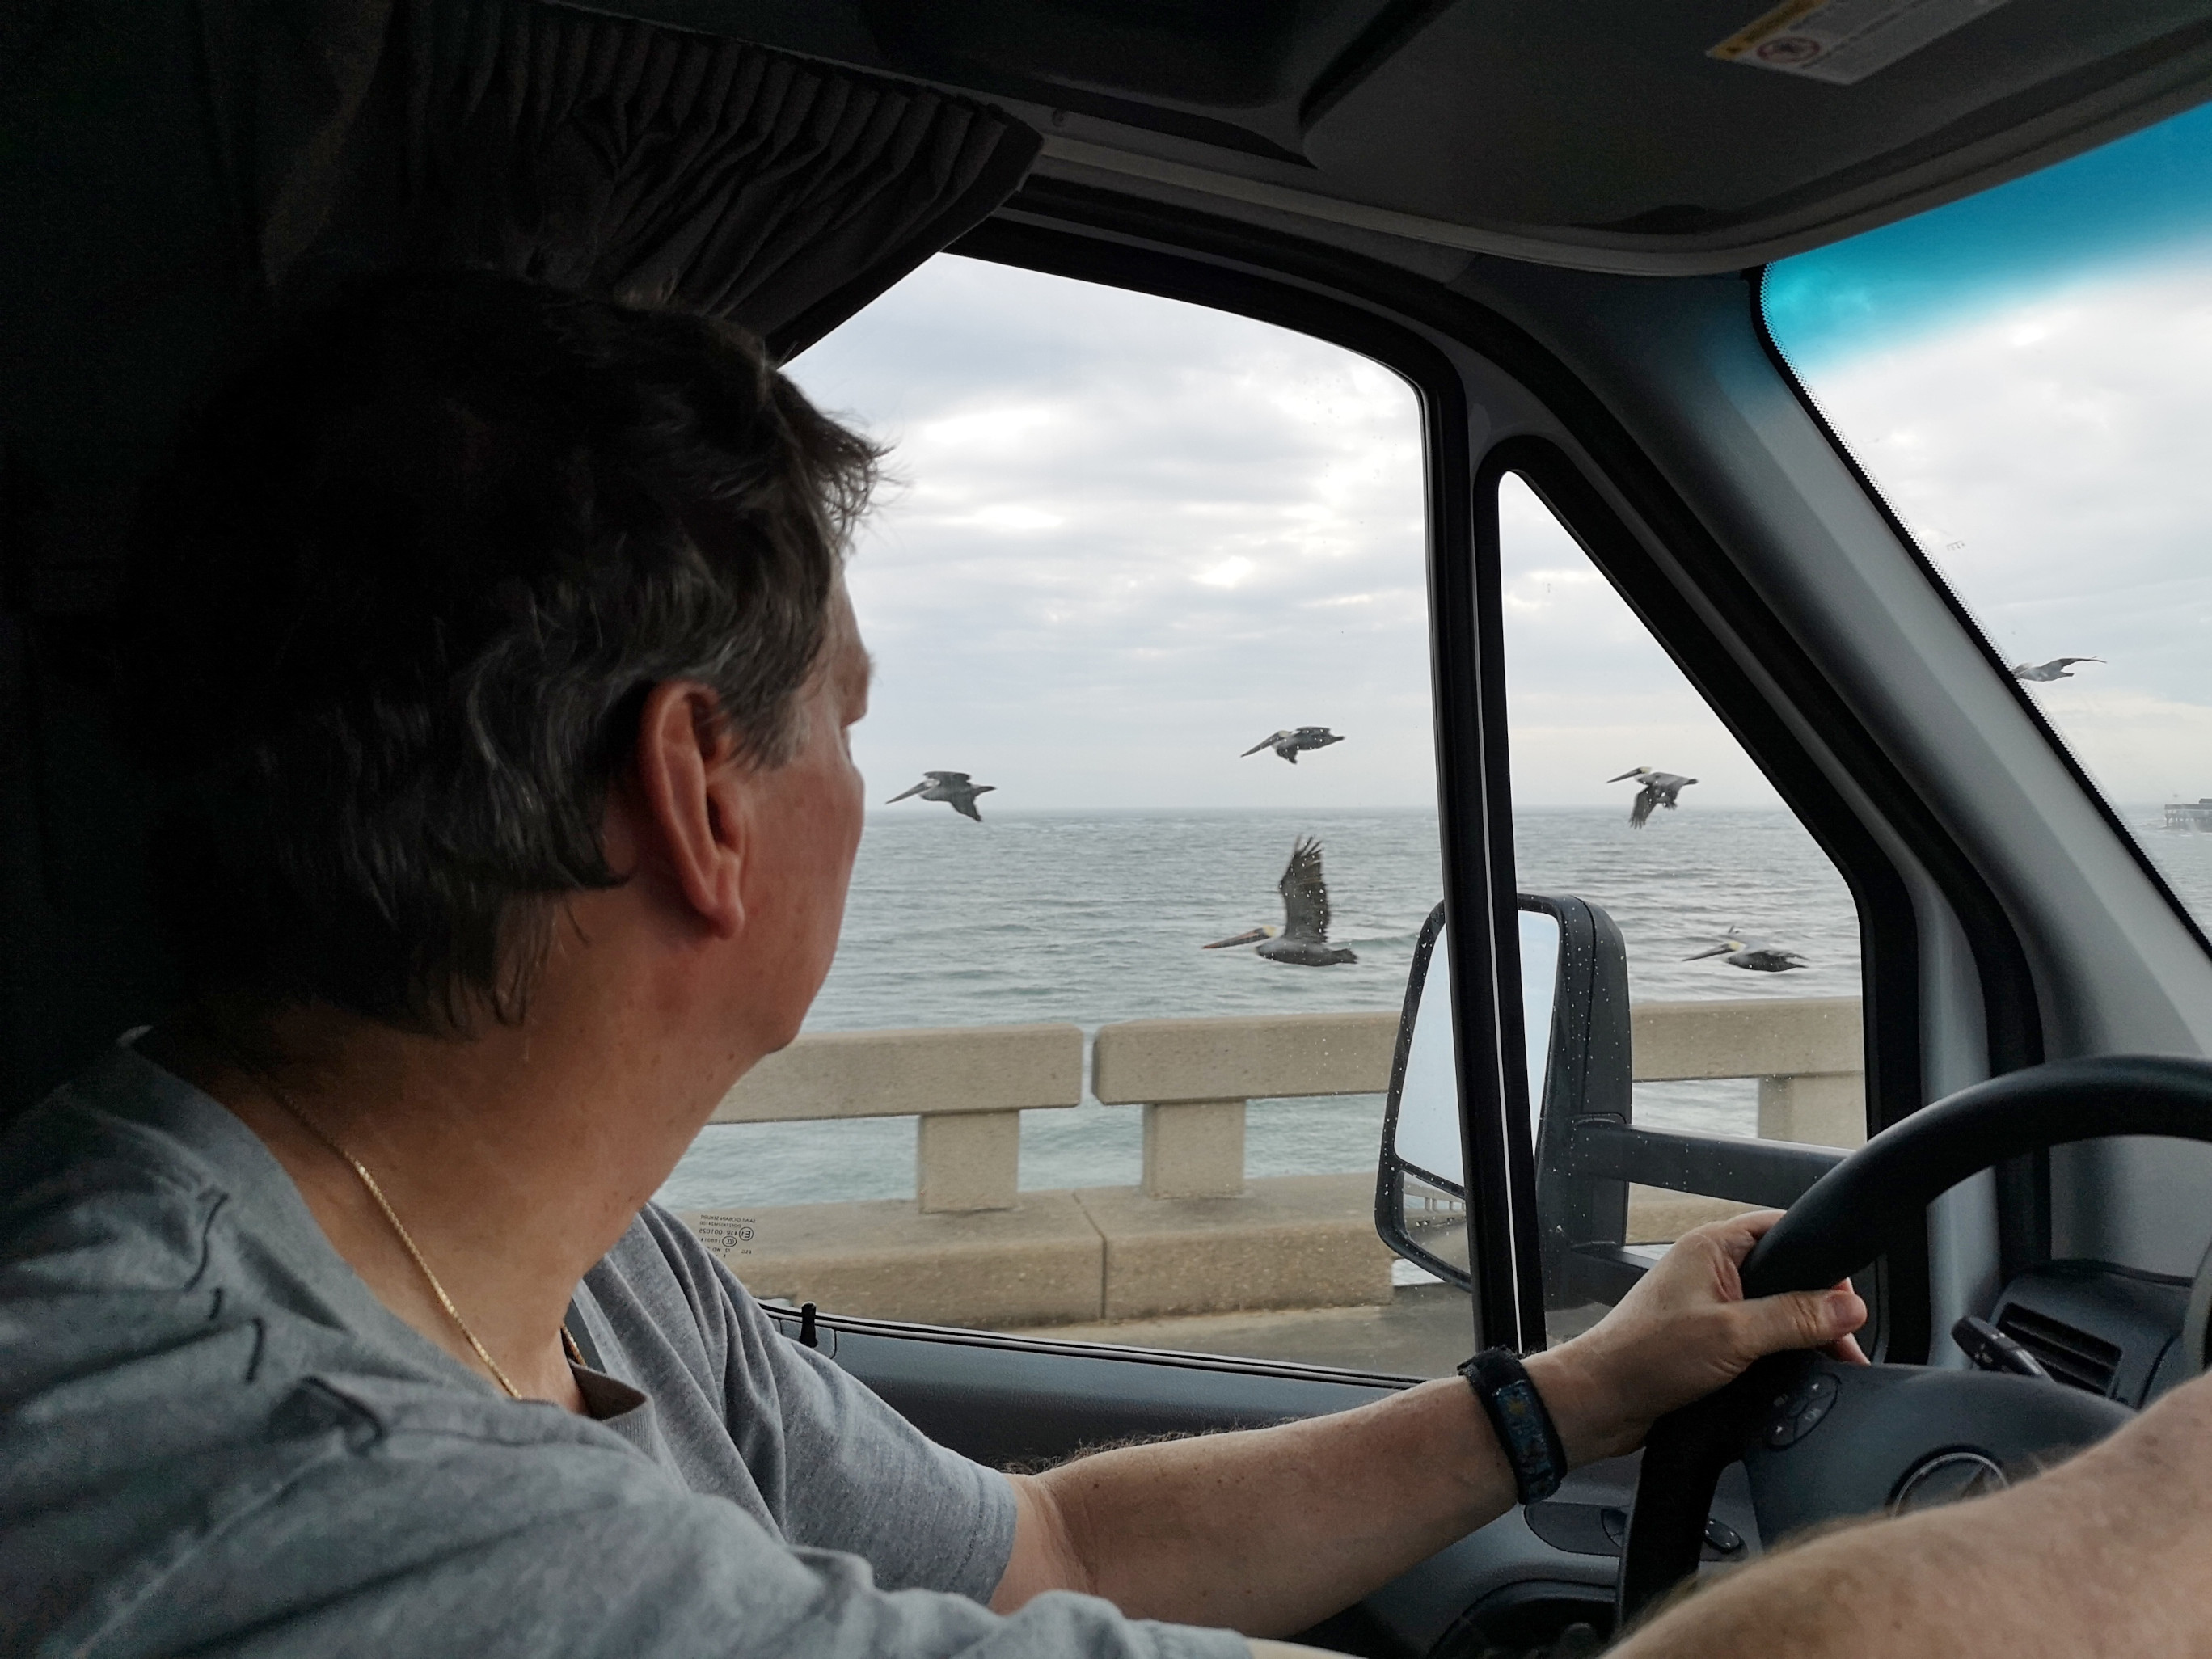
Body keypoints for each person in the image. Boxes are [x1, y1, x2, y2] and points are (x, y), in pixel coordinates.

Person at [0, 271, 1869, 1659]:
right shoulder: (299, 1491)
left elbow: (1048, 1554)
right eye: (847, 722)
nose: (870, 796)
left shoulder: (578, 1263)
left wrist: (1576, 1393)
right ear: (699, 800)